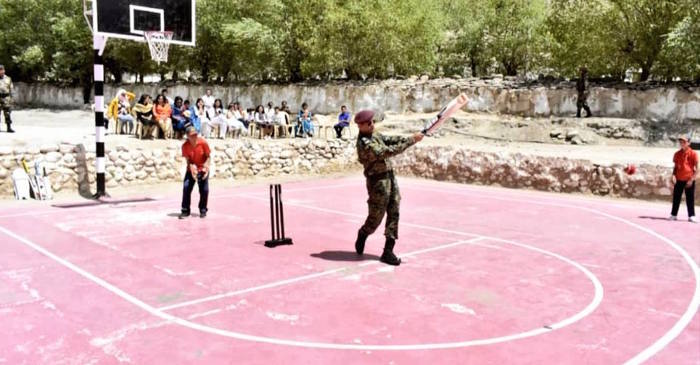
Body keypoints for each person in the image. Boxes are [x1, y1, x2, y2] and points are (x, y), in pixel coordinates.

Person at [353, 110, 424, 266]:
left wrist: (410, 137)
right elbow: (386, 151)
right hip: (377, 182)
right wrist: (411, 141)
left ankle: (388, 250)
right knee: (376, 217)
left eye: (373, 122)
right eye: (369, 123)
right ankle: (364, 232)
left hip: (389, 177)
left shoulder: (374, 135)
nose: (373, 125)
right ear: (360, 125)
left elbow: (389, 140)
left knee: (394, 211)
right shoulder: (365, 143)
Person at [180, 126, 211, 219]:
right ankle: (185, 210)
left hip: (203, 168)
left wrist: (206, 167)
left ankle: (203, 210)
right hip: (191, 169)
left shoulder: (203, 143)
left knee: (204, 190)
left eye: (195, 135)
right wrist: (191, 167)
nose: (194, 137)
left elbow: (208, 156)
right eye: (192, 135)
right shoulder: (185, 146)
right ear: (187, 136)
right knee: (186, 187)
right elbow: (188, 160)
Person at [669, 135, 698, 223]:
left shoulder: (693, 154)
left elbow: (698, 168)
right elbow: (676, 167)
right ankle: (674, 214)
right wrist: (673, 175)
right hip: (679, 179)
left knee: (690, 198)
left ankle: (691, 216)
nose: (682, 143)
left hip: (689, 179)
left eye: (684, 142)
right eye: (680, 142)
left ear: (689, 143)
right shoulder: (677, 154)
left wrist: (691, 179)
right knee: (676, 197)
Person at [0, 65, 15, 133]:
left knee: (7, 113)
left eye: (2, 69)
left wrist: (11, 99)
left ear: (4, 70)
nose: (1, 71)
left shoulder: (8, 78)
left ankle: (9, 128)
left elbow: (11, 89)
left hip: (6, 98)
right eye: (0, 69)